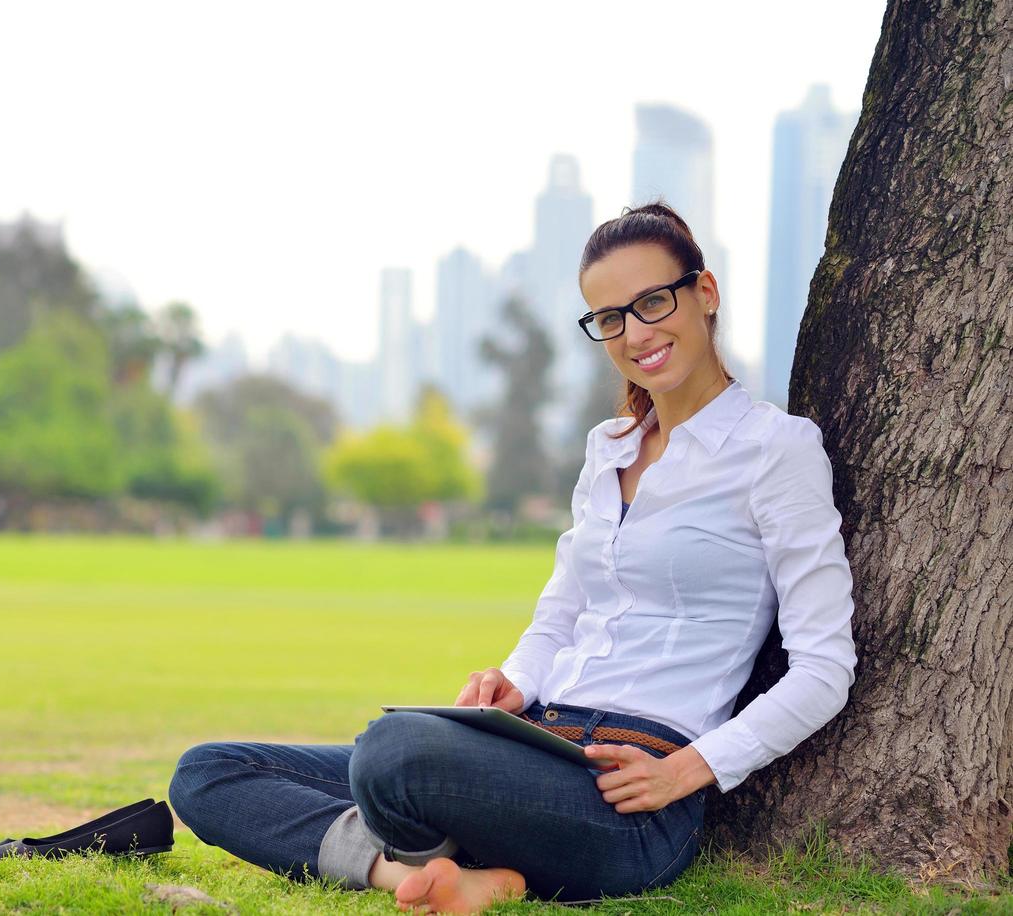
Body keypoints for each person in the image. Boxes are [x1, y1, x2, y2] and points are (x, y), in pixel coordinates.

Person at [167, 202, 857, 913]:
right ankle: (424, 878)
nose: (635, 333)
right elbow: (561, 613)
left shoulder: (776, 451)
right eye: (610, 318)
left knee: (391, 752)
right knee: (209, 771)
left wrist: (688, 770)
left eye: (652, 302)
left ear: (702, 294)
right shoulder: (607, 449)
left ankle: (444, 855)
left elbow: (824, 667)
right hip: (532, 746)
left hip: (632, 802)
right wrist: (515, 682)